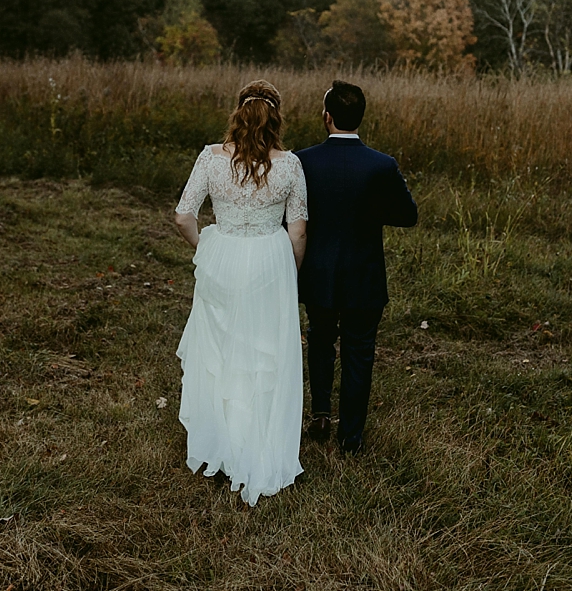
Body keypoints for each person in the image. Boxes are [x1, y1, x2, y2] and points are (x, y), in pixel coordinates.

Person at [172, 80, 308, 505]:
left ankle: (221, 442)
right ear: (276, 117)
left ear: (237, 112)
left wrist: (206, 247)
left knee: (221, 348)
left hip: (223, 255)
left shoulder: (210, 157)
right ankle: (257, 441)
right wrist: (290, 270)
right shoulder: (290, 165)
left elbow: (182, 216)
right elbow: (298, 230)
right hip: (270, 258)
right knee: (264, 351)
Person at [295, 80, 418, 454]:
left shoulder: (302, 160)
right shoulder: (381, 165)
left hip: (317, 272)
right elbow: (408, 215)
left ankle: (319, 413)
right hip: (363, 275)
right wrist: (368, 212)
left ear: (327, 117)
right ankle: (350, 435)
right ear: (359, 117)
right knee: (359, 350)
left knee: (319, 339)